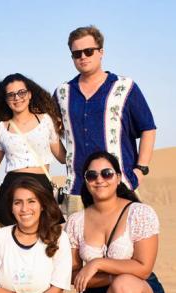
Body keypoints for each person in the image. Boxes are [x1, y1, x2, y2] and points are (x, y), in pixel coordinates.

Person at [64, 151, 165, 293]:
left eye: (107, 173)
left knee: (123, 286)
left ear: (118, 178)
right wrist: (106, 275)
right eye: (92, 175)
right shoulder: (75, 222)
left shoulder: (139, 213)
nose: (99, 179)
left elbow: (143, 267)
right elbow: (74, 276)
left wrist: (96, 264)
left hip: (137, 291)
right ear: (86, 181)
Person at [54, 26, 156, 216]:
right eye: (77, 54)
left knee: (123, 245)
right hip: (77, 191)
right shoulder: (62, 93)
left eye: (88, 51)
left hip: (119, 187)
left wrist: (140, 169)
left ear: (101, 52)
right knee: (75, 245)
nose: (83, 57)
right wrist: (66, 158)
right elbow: (51, 132)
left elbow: (148, 128)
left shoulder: (125, 87)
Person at [0, 73, 66, 226]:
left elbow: (63, 157)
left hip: (41, 185)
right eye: (11, 94)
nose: (17, 98)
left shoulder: (46, 120)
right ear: (6, 100)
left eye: (21, 92)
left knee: (45, 242)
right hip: (11, 188)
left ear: (29, 94)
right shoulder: (1, 128)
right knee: (10, 242)